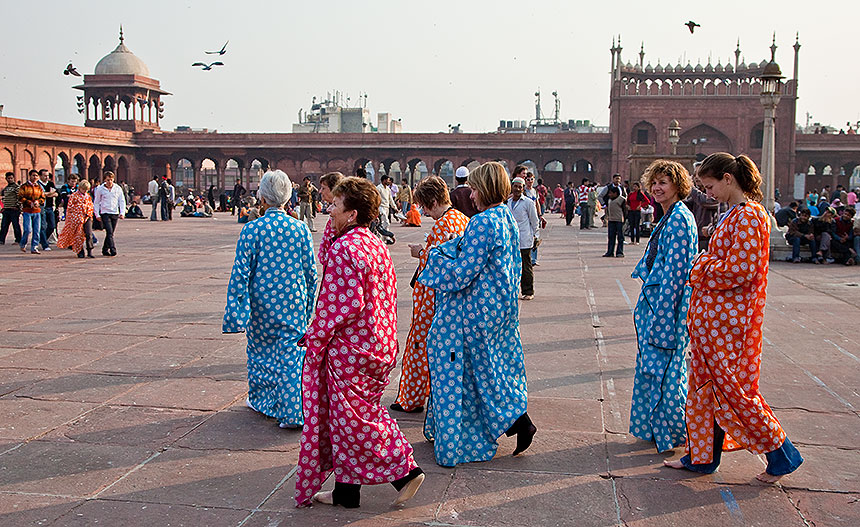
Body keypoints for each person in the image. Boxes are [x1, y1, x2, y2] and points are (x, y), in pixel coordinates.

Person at [665, 152, 803, 484]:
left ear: (728, 179)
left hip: (730, 325)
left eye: (710, 186)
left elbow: (741, 270)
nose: (708, 194)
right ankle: (702, 456)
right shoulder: (734, 215)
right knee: (703, 389)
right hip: (712, 323)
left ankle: (782, 454)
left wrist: (699, 266)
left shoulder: (751, 216)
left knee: (733, 391)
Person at [296, 176, 423, 509]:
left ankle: (405, 473)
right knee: (345, 418)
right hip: (378, 342)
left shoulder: (344, 249)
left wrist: (313, 337)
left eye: (335, 205)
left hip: (351, 348)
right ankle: (346, 492)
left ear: (351, 213)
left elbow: (339, 307)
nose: (328, 209)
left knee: (358, 418)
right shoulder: (373, 242)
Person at [419, 161, 536, 467]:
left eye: (473, 188)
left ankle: (503, 426)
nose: (470, 195)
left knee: (474, 375)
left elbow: (461, 273)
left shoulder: (484, 222)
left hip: (477, 313)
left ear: (483, 189)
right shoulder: (504, 218)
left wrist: (432, 260)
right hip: (499, 309)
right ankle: (517, 421)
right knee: (493, 370)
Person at [223, 169, 317, 431]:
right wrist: (309, 307)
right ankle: (293, 410)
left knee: (261, 353)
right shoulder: (299, 229)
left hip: (262, 303)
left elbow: (241, 272)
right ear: (288, 198)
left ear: (262, 198)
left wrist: (236, 313)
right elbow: (311, 273)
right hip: (293, 302)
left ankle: (265, 402)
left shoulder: (253, 229)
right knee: (291, 357)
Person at [629, 160, 697, 452]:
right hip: (657, 306)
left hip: (666, 309)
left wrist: (664, 318)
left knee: (666, 373)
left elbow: (677, 274)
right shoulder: (668, 216)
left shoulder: (680, 219)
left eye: (664, 183)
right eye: (654, 182)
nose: (657, 188)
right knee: (654, 370)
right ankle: (660, 430)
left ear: (677, 186)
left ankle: (675, 432)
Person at [391, 176, 469, 414]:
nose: (424, 211)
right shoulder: (462, 219)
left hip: (431, 296)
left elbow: (438, 263)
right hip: (451, 298)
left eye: (425, 206)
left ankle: (411, 398)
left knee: (418, 345)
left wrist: (420, 252)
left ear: (434, 201)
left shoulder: (442, 226)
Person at [507, 176, 539, 300]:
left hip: (524, 238)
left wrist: (535, 236)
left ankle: (528, 291)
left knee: (526, 266)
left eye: (520, 187)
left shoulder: (528, 203)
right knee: (512, 266)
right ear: (511, 187)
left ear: (523, 188)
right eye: (515, 186)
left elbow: (534, 221)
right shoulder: (507, 203)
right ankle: (513, 290)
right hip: (510, 239)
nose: (517, 189)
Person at [57, 179, 95, 258]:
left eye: (86, 189)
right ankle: (80, 251)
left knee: (89, 234)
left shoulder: (88, 196)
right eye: (83, 189)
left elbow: (91, 206)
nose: (85, 191)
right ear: (80, 188)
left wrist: (90, 215)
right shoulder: (74, 196)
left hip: (86, 216)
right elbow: (70, 208)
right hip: (77, 218)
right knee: (78, 235)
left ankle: (90, 250)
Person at [93, 171, 126, 257]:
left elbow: (121, 201)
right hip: (105, 212)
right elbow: (96, 202)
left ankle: (104, 249)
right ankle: (112, 249)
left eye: (111, 180)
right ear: (104, 180)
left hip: (114, 212)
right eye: (107, 180)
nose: (109, 182)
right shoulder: (100, 189)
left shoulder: (117, 188)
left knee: (110, 233)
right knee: (109, 231)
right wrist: (97, 214)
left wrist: (122, 212)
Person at [17, 170, 44, 254]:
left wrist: (38, 202)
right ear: (29, 176)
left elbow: (43, 198)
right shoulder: (24, 187)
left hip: (37, 211)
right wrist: (29, 203)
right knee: (27, 229)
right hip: (27, 211)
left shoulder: (39, 187)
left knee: (36, 230)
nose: (35, 177)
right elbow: (20, 197)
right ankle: (23, 243)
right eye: (33, 175)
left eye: (36, 176)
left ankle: (34, 247)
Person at [603, 187, 627, 257]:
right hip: (611, 220)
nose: (609, 194)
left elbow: (625, 211)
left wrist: (624, 220)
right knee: (611, 237)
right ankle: (610, 252)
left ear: (615, 193)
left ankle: (620, 252)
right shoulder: (609, 200)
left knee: (620, 237)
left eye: (611, 193)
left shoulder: (621, 199)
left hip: (619, 220)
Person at [37, 170, 57, 250]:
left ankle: (43, 239)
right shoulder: (37, 184)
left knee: (52, 226)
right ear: (40, 176)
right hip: (41, 207)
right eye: (45, 175)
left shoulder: (50, 184)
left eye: (48, 175)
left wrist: (46, 194)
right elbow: (39, 194)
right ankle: (45, 245)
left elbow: (56, 193)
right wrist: (50, 194)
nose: (47, 177)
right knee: (43, 226)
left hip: (50, 207)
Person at [1, 172, 22, 245]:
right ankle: (1, 240)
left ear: (14, 178)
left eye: (11, 178)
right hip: (6, 209)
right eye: (8, 178)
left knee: (15, 225)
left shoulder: (16, 187)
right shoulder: (6, 188)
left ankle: (18, 240)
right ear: (6, 179)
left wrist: (18, 207)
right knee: (4, 225)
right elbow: (4, 198)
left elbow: (19, 197)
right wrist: (3, 207)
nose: (10, 180)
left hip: (14, 210)